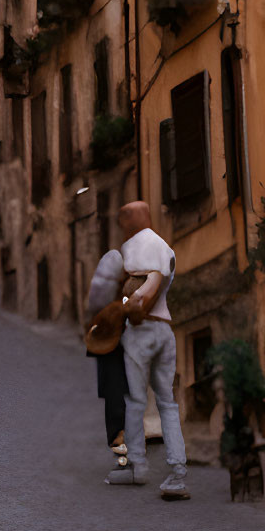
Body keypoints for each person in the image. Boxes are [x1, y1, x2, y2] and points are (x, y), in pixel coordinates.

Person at [107, 200, 189, 500]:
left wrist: (124, 307)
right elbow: (159, 282)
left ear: (130, 220)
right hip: (165, 329)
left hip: (140, 331)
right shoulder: (166, 248)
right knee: (168, 402)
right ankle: (178, 472)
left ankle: (137, 466)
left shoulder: (133, 247)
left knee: (136, 401)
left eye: (122, 218)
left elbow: (138, 293)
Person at [85, 247, 129, 469]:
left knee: (114, 393)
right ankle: (120, 445)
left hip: (103, 340)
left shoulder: (108, 264)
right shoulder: (118, 292)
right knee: (118, 393)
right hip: (113, 341)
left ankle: (118, 442)